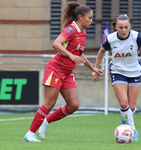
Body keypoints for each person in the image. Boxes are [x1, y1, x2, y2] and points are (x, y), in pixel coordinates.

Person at [23, 2, 104, 142]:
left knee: (74, 105)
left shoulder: (82, 32)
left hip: (67, 72)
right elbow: (56, 44)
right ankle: (30, 134)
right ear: (80, 17)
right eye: (89, 18)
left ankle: (46, 122)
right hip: (55, 69)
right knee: (49, 103)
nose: (91, 20)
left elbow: (79, 54)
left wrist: (92, 68)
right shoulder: (70, 29)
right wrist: (70, 56)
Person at [91, 14, 141, 141]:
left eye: (126, 27)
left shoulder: (136, 36)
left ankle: (125, 119)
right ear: (116, 27)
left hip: (134, 72)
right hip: (118, 71)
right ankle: (132, 129)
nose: (124, 30)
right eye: (120, 27)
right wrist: (95, 68)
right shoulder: (110, 38)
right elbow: (101, 51)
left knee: (131, 107)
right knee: (123, 103)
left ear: (130, 26)